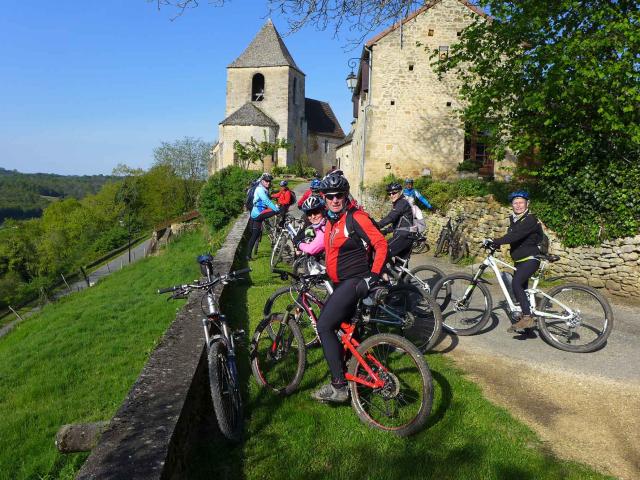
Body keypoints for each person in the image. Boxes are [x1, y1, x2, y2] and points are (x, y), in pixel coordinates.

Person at [311, 174, 388, 403]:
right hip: (341, 282)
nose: (335, 200)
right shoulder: (333, 221)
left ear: (346, 196)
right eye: (330, 196)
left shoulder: (356, 217)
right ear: (324, 198)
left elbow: (381, 244)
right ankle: (356, 369)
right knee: (343, 329)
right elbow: (333, 253)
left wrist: (372, 277)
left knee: (324, 326)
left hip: (355, 282)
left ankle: (339, 386)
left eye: (339, 196)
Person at [485, 190, 543, 332]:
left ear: (527, 204)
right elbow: (512, 236)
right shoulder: (515, 219)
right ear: (512, 205)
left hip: (531, 258)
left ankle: (527, 317)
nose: (518, 205)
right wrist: (497, 244)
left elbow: (516, 235)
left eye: (521, 202)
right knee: (521, 290)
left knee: (516, 283)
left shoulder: (530, 219)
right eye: (515, 203)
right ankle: (527, 320)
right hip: (521, 260)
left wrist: (495, 240)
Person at [377, 182, 415, 261]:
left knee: (381, 252)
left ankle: (384, 273)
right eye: (389, 193)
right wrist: (385, 231)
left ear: (400, 192)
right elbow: (398, 224)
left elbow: (391, 217)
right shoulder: (399, 203)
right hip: (407, 236)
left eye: (394, 193)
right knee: (399, 265)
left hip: (403, 236)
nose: (391, 195)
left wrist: (376, 225)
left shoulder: (402, 203)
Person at [246, 173, 280, 261]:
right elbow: (266, 201)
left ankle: (248, 256)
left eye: (269, 181)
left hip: (256, 214)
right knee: (277, 211)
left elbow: (266, 201)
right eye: (266, 181)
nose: (268, 183)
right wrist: (277, 210)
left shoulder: (264, 189)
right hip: (258, 214)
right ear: (262, 181)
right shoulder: (260, 190)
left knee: (254, 235)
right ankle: (275, 228)